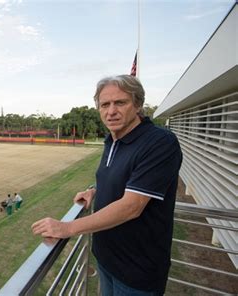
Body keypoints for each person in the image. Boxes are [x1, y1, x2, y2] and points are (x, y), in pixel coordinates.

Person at [31, 75, 182, 295]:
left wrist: (66, 228)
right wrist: (95, 190)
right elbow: (120, 178)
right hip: (106, 259)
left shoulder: (159, 142)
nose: (111, 111)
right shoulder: (113, 139)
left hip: (137, 272)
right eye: (105, 104)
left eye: (120, 102)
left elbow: (132, 206)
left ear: (138, 105)